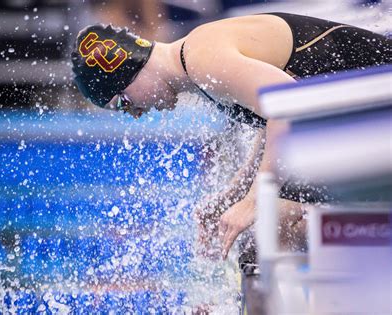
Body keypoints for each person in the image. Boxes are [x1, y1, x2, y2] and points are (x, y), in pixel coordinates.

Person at [71, 13, 391, 260]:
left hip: (377, 98)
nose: (135, 113)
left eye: (123, 103)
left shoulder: (201, 59)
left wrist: (254, 199)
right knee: (275, 221)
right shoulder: (194, 63)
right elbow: (273, 122)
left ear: (133, 69)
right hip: (360, 110)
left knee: (278, 221)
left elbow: (287, 105)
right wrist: (233, 195)